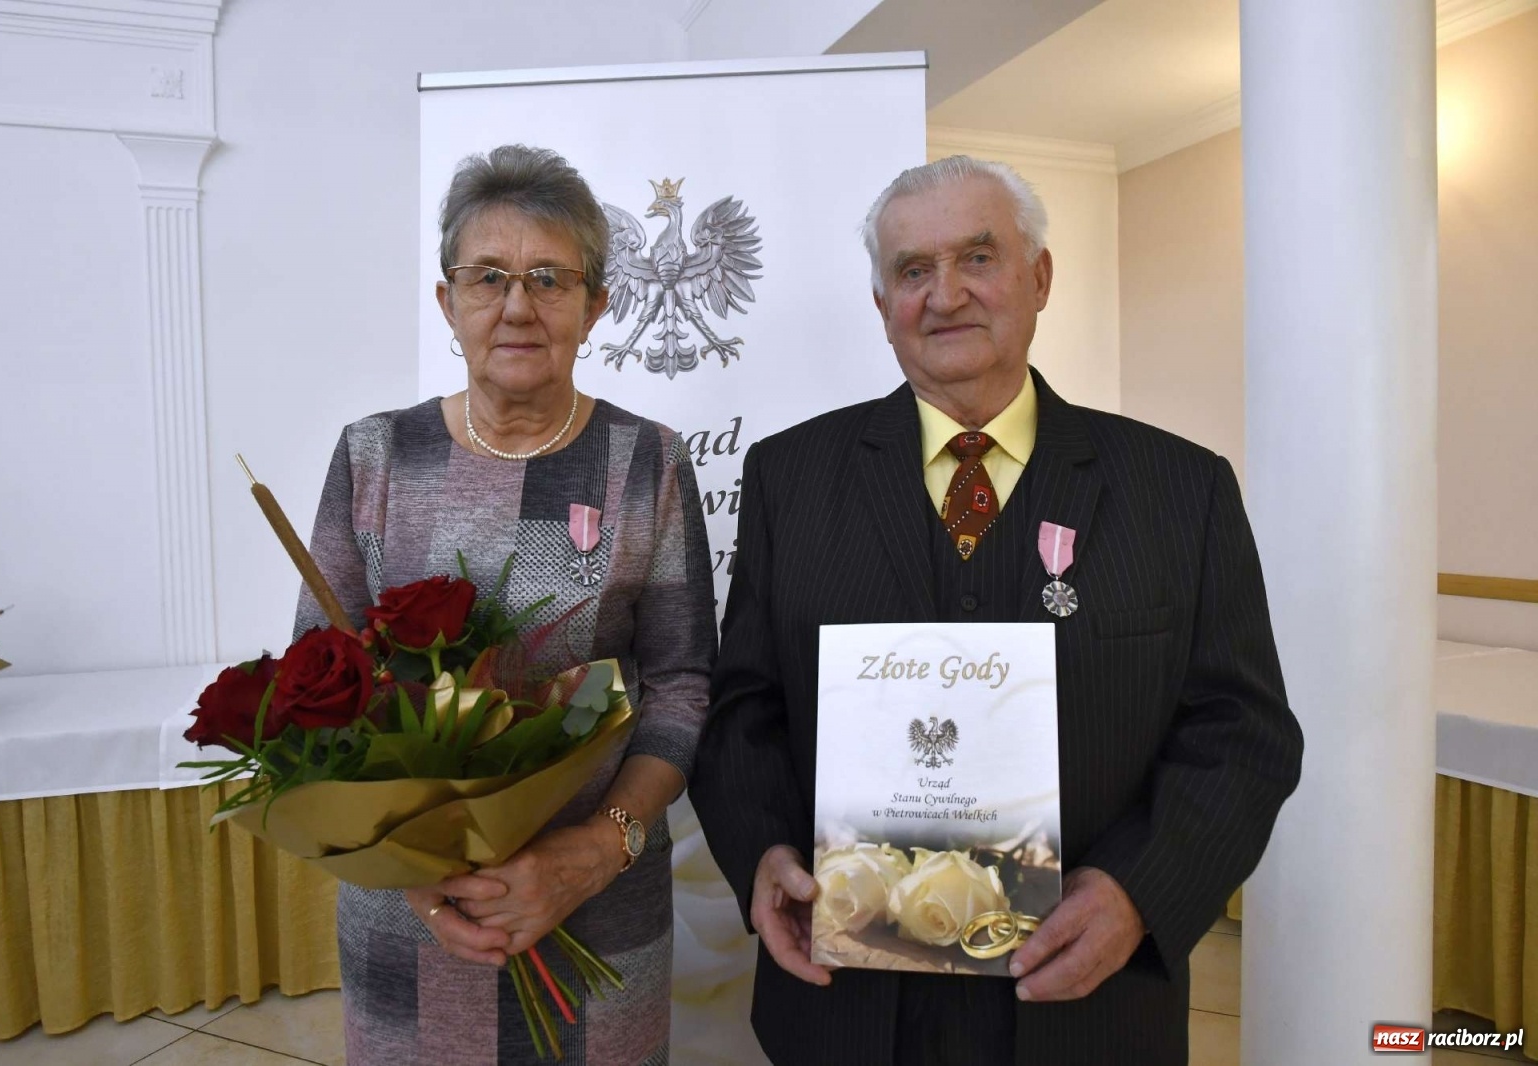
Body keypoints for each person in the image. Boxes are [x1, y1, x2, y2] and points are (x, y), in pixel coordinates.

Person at [689, 155, 1303, 1065]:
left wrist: (1141, 892)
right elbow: (744, 709)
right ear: (882, 304)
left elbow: (1242, 731)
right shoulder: (790, 478)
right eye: (912, 270)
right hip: (849, 1008)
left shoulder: (1181, 489)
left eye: (979, 257)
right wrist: (763, 852)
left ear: (1040, 277)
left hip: (1088, 1007)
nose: (946, 296)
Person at [296, 144, 715, 1065]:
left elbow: (682, 686)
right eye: (488, 277)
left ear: (596, 305)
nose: (517, 305)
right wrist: (415, 873)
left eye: (548, 278)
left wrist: (596, 853)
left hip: (598, 903)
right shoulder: (375, 457)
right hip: (410, 923)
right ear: (447, 302)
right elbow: (317, 687)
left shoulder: (650, 463)